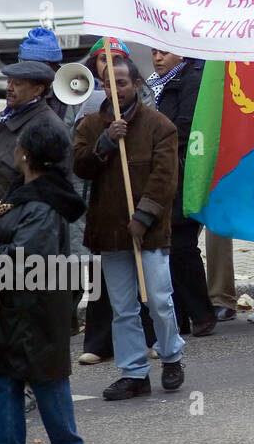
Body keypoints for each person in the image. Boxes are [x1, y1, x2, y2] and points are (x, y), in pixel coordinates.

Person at [72, 56, 185, 401]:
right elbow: (80, 167)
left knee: (159, 300)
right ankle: (134, 371)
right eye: (108, 83)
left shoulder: (159, 125)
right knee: (123, 307)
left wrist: (144, 217)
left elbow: (165, 179)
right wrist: (105, 142)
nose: (114, 90)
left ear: (136, 85)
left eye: (121, 83)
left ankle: (171, 357)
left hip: (148, 232)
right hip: (111, 231)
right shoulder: (91, 124)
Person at [0, 120, 85, 444]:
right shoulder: (23, 195)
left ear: (25, 155)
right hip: (13, 318)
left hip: (37, 321)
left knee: (56, 413)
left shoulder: (43, 205)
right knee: (6, 400)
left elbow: (23, 261)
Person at [147, 50, 216, 338]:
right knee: (171, 245)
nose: (157, 59)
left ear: (181, 55)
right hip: (163, 172)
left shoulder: (193, 80)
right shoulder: (153, 84)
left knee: (183, 244)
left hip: (184, 171)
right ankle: (182, 315)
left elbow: (185, 128)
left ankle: (202, 313)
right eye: (153, 53)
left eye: (164, 53)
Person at [0, 60, 68, 201]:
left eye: (17, 84)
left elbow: (53, 189)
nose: (9, 88)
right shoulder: (5, 118)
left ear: (37, 90)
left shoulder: (49, 128)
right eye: (9, 82)